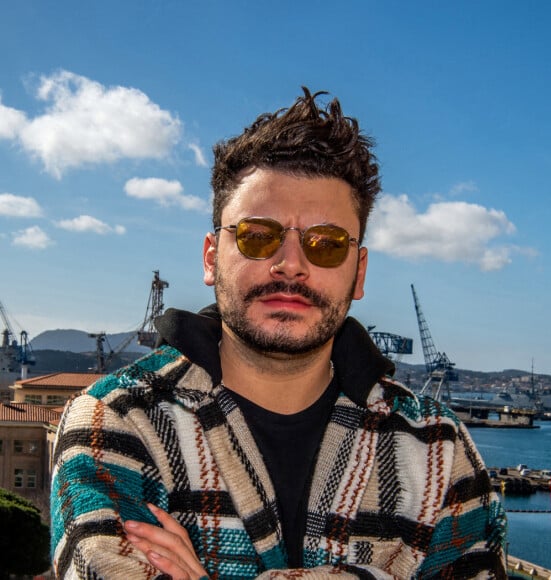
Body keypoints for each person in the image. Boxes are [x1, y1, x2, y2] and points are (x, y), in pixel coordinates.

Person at [51, 88, 507, 579]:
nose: (291, 264)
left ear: (359, 272)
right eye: (258, 236)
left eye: (327, 244)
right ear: (211, 257)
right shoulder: (116, 423)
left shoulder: (437, 446)